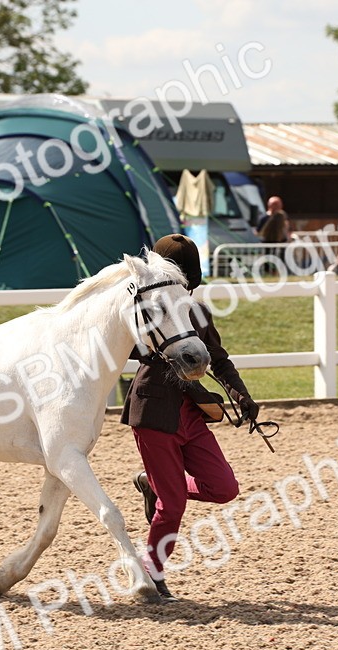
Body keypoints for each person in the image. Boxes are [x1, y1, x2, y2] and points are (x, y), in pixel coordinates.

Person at [122, 234, 259, 600]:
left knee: (224, 488)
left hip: (191, 414)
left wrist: (241, 394)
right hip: (153, 412)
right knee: (174, 505)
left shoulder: (198, 312)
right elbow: (134, 350)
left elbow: (219, 357)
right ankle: (152, 573)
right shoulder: (145, 309)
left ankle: (152, 485)